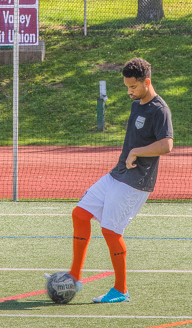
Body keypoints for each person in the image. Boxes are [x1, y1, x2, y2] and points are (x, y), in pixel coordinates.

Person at [64, 57, 174, 304]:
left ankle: (121, 290)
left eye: (133, 87)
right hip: (118, 174)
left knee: (111, 230)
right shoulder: (137, 104)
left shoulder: (160, 110)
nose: (129, 91)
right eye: (126, 86)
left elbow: (167, 145)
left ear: (147, 82)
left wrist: (136, 152)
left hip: (137, 181)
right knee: (80, 214)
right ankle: (73, 277)